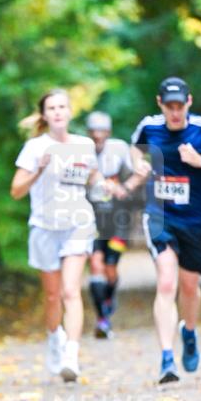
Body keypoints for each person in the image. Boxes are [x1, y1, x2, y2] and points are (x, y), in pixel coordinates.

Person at [124, 76, 201, 383]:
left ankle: (189, 331)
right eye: (169, 106)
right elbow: (135, 148)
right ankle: (166, 358)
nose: (175, 112)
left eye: (179, 106)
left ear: (189, 103)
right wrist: (138, 164)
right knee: (166, 283)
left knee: (189, 287)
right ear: (160, 104)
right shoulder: (149, 126)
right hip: (160, 217)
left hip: (195, 222)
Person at [11, 89, 119, 382]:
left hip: (77, 224)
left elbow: (94, 178)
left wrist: (105, 187)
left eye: (62, 107)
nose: (58, 112)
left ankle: (71, 354)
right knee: (52, 296)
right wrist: (38, 170)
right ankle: (54, 340)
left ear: (70, 112)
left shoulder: (84, 145)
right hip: (44, 227)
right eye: (52, 108)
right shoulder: (35, 147)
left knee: (71, 291)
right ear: (44, 115)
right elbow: (16, 190)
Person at [85, 111, 133, 338]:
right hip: (92, 218)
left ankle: (109, 295)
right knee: (96, 264)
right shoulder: (81, 149)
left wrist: (124, 188)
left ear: (108, 132)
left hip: (118, 220)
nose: (97, 136)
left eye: (102, 132)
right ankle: (102, 319)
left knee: (110, 268)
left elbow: (134, 176)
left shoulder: (120, 149)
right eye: (93, 132)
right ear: (88, 133)